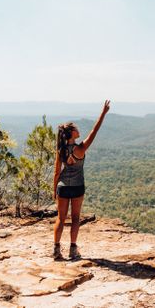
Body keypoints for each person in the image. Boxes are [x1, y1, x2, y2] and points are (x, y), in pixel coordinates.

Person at [52, 100, 110, 260]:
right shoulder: (81, 148)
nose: (78, 130)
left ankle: (56, 250)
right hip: (77, 186)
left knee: (60, 219)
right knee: (76, 217)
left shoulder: (61, 150)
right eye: (76, 129)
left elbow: (57, 172)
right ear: (71, 133)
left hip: (63, 187)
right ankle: (72, 249)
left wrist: (54, 189)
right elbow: (94, 130)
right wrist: (103, 114)